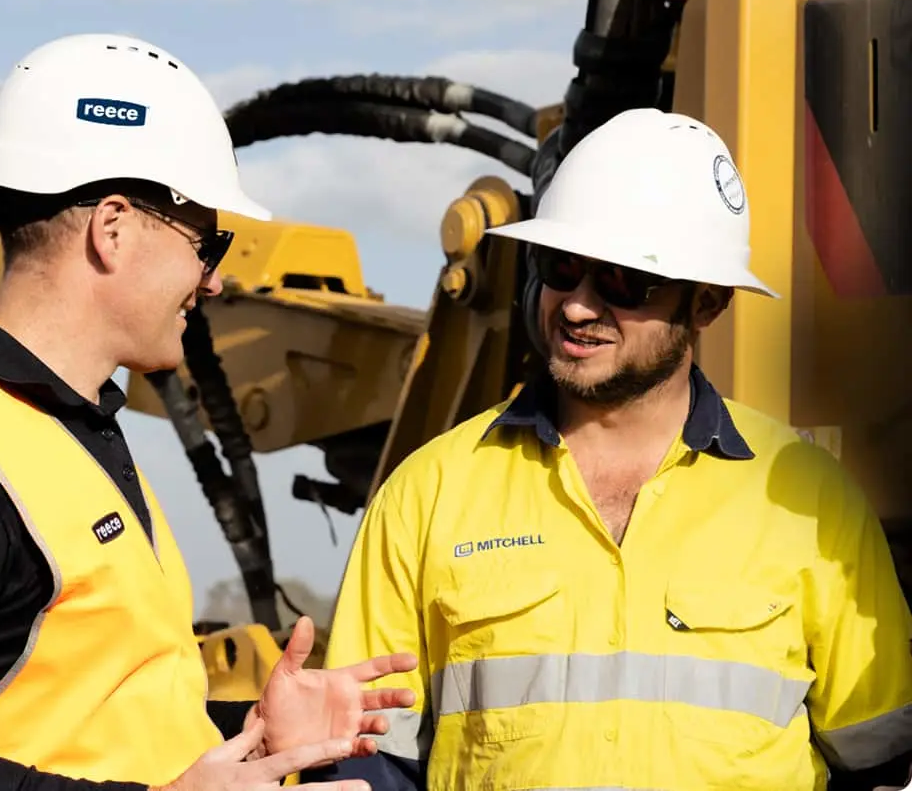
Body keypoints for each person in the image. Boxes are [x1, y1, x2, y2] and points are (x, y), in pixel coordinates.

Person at [0, 32, 418, 791]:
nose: (212, 280)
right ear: (111, 229)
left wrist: (252, 733)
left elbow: (100, 725)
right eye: (206, 243)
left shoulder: (70, 438)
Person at [305, 108, 912, 790]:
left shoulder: (811, 501)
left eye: (621, 280)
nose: (576, 307)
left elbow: (879, 759)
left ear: (707, 302)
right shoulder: (426, 494)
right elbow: (368, 763)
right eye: (560, 268)